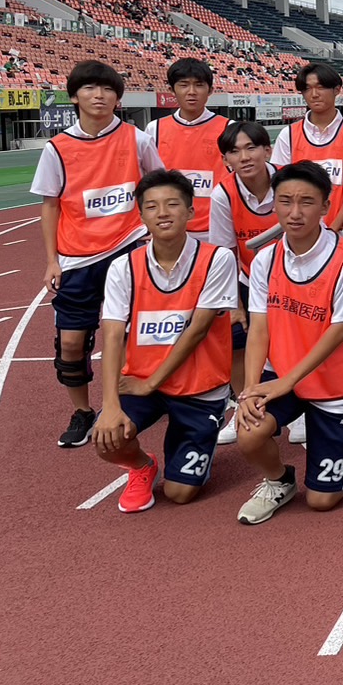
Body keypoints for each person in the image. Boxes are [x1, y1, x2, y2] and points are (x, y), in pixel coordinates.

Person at [32, 59, 163, 449]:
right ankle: (83, 411)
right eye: (89, 88)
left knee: (138, 332)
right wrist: (52, 260)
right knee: (71, 345)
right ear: (74, 96)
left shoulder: (136, 139)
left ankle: (139, 399)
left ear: (117, 98)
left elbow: (158, 185)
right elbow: (50, 205)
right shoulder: (57, 148)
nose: (99, 95)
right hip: (78, 258)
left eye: (107, 89)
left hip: (129, 246)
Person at [233, 162, 343, 525]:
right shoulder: (265, 260)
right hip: (283, 375)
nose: (294, 212)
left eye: (306, 202)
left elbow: (341, 330)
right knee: (248, 431)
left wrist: (287, 381)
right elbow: (259, 329)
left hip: (335, 384)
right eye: (285, 201)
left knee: (322, 501)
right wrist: (250, 389)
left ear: (325, 206)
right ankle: (279, 481)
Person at [91, 170, 238, 512]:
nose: (162, 213)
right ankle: (142, 465)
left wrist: (152, 383)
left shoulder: (217, 259)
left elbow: (197, 330)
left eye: (172, 204)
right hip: (143, 380)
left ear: (190, 211)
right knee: (106, 438)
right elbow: (112, 336)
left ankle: (195, 441)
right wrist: (110, 404)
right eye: (152, 206)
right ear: (141, 215)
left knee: (179, 493)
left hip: (200, 388)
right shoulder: (124, 267)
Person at [207, 121, 276, 445]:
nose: (244, 157)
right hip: (249, 278)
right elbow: (224, 254)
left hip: (294, 279)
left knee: (297, 336)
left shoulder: (287, 182)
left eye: (251, 148)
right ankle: (244, 402)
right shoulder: (223, 194)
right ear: (225, 160)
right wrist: (234, 304)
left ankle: (304, 407)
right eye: (235, 151)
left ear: (267, 151)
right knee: (235, 335)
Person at [270, 62, 343, 230]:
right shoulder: (288, 135)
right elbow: (280, 188)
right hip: (299, 231)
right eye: (307, 89)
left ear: (337, 90)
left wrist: (332, 231)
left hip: (340, 232)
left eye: (320, 87)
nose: (314, 94)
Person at [147, 57, 227, 239]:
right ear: (171, 90)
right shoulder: (154, 129)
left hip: (216, 227)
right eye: (183, 85)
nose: (191, 92)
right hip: (170, 227)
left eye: (199, 85)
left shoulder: (228, 128)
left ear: (210, 90)